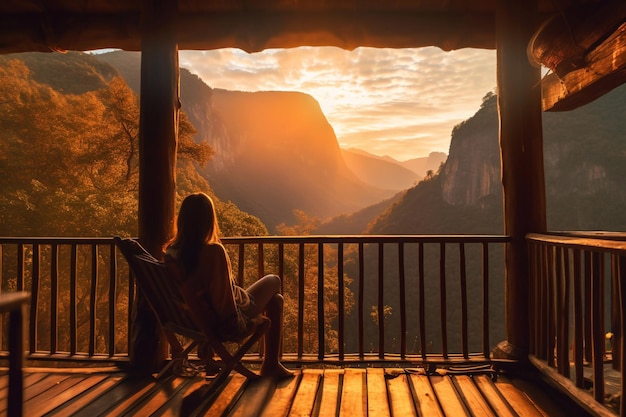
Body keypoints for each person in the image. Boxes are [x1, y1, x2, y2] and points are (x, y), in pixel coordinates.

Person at [165, 192, 293, 379]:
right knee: (274, 280)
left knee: (276, 300)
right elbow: (223, 301)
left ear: (182, 220)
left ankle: (272, 364)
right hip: (225, 319)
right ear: (208, 221)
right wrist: (233, 324)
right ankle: (271, 365)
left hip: (192, 319)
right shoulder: (213, 252)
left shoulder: (171, 253)